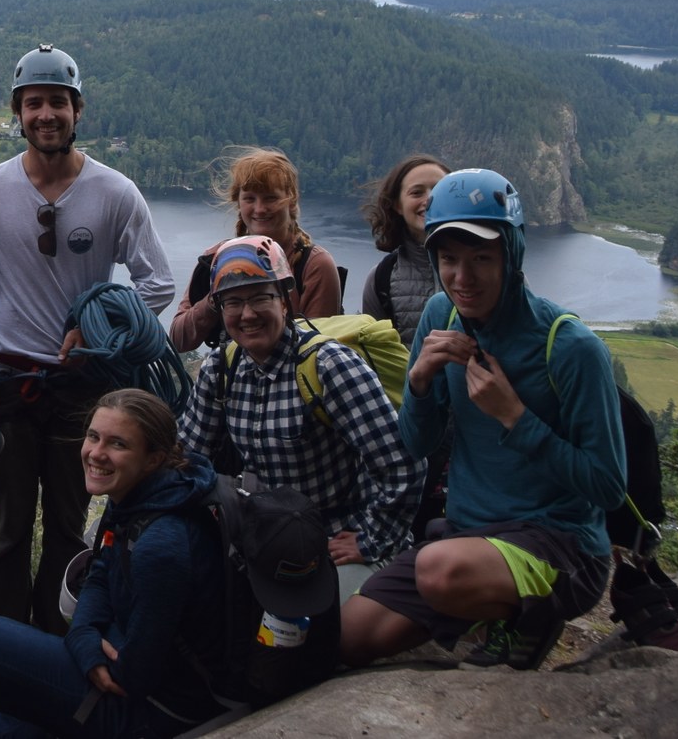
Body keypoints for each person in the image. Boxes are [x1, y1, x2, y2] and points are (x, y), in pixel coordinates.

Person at [341, 168, 626, 671]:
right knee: (347, 637)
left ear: (511, 254)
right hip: (469, 539)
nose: (462, 278)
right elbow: (417, 443)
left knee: (438, 570)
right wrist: (419, 384)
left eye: (481, 258)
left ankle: (527, 619)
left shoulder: (570, 348)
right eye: (449, 259)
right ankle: (480, 608)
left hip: (562, 547)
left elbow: (608, 486)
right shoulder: (440, 316)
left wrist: (514, 416)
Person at [0, 44, 175, 633]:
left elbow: (157, 283)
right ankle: (7, 647)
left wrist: (101, 332)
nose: (46, 114)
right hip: (8, 382)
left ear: (78, 110)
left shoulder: (114, 193)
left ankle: (52, 647)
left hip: (82, 386)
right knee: (8, 530)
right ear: (17, 113)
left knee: (69, 531)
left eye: (57, 102)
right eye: (34, 104)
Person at [0, 390, 226, 738]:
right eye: (93, 437)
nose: (96, 453)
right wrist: (83, 634)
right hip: (112, 661)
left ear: (153, 459)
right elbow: (98, 574)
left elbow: (132, 675)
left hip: (151, 709)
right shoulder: (138, 495)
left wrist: (85, 650)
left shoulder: (161, 546)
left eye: (118, 444)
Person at [176, 236, 423, 598]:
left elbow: (403, 463)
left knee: (332, 624)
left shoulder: (329, 367)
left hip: (336, 534)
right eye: (233, 302)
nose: (247, 314)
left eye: (260, 298)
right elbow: (188, 454)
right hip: (269, 534)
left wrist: (372, 539)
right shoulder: (222, 367)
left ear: (284, 300)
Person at [169, 147, 342, 353]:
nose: (259, 209)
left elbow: (318, 349)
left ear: (291, 200)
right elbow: (179, 340)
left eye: (270, 198)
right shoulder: (216, 259)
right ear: (238, 202)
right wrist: (216, 299)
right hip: (230, 372)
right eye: (250, 199)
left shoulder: (314, 265)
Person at [358, 153, 450, 347]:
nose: (429, 199)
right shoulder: (381, 279)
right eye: (417, 193)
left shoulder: (487, 267)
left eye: (439, 190)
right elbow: (377, 356)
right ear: (397, 205)